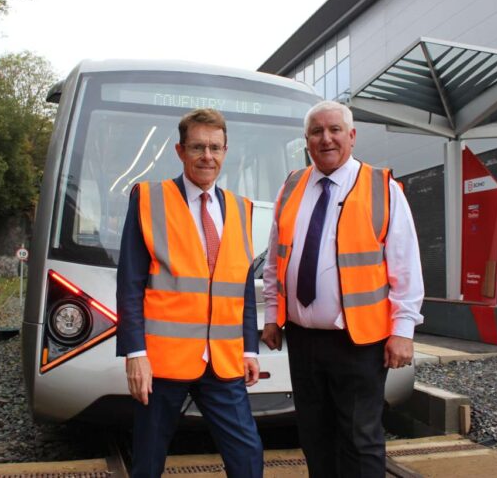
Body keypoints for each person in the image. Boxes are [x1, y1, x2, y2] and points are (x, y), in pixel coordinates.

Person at [261, 100, 424, 477]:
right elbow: (275, 261)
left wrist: (403, 331)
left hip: (359, 341)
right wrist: (272, 316)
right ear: (306, 141)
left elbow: (406, 265)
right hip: (302, 339)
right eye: (316, 131)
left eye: (335, 130)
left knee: (360, 439)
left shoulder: (382, 188)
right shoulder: (291, 187)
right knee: (314, 434)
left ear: (351, 136)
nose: (326, 138)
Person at [116, 108, 263, 478]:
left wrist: (248, 348)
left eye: (215, 147)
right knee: (148, 461)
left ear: (226, 151)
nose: (207, 156)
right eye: (198, 147)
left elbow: (241, 286)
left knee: (248, 456)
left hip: (223, 361)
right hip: (162, 362)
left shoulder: (241, 209)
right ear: (180, 151)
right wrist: (135, 353)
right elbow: (130, 282)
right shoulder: (150, 199)